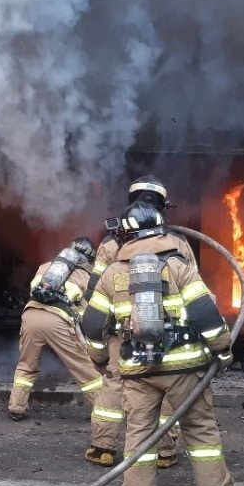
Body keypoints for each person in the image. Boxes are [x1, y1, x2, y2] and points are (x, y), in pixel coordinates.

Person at [81, 202, 235, 486]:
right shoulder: (179, 266)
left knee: (139, 434)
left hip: (138, 371)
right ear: (161, 231)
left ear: (126, 235)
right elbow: (206, 314)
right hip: (185, 369)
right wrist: (223, 349)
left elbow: (93, 325)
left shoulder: (112, 274)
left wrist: (99, 358)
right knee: (201, 431)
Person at [84, 175, 194, 469]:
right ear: (162, 204)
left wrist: (101, 330)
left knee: (116, 381)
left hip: (123, 330)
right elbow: (193, 287)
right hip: (170, 333)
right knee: (167, 386)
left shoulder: (111, 242)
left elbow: (95, 288)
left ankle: (103, 446)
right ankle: (165, 451)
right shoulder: (177, 242)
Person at [9, 237, 123, 465]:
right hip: (58, 322)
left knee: (26, 365)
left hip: (30, 315)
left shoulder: (46, 267)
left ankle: (16, 407)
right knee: (85, 371)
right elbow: (87, 313)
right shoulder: (86, 276)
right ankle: (102, 411)